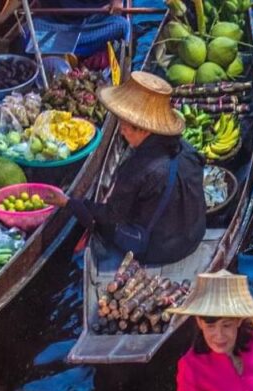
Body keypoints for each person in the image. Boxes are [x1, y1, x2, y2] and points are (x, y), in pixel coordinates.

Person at [63, 72, 206, 265]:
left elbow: (110, 216)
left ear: (144, 129)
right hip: (194, 235)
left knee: (103, 224)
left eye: (125, 126)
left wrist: (69, 203)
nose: (121, 130)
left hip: (158, 251)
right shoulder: (187, 149)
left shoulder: (137, 169)